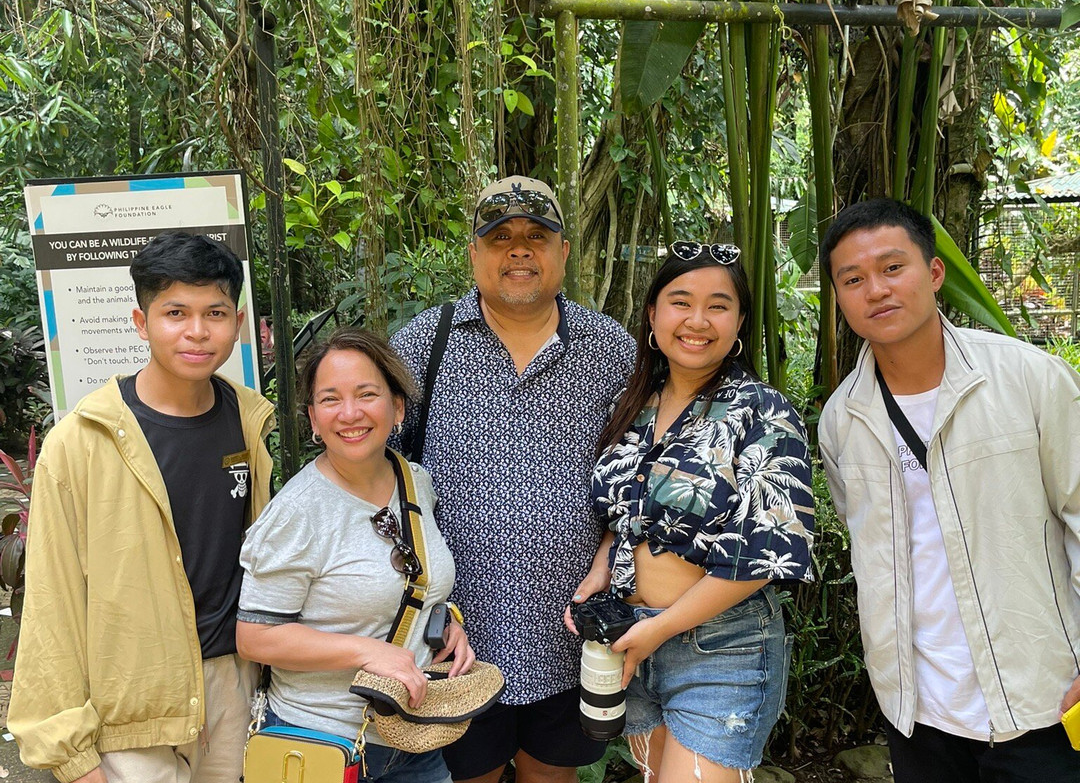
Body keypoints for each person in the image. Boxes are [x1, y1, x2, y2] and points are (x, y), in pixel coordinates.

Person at [818, 198, 1080, 782]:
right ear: (838, 297)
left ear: (934, 273)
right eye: (853, 279)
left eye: (893, 268)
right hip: (918, 711)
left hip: (1041, 697)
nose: (876, 290)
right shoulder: (842, 418)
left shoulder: (1030, 380)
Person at [390, 175, 635, 783]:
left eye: (535, 237)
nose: (518, 251)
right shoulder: (424, 344)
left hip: (568, 635)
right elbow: (380, 479)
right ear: (474, 253)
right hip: (453, 640)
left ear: (563, 253)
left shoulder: (609, 347)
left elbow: (643, 480)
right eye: (500, 238)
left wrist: (609, 556)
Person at [10, 232, 275, 783]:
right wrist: (71, 752)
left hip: (231, 685)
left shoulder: (248, 423)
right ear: (140, 321)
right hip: (130, 704)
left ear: (238, 322)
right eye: (175, 312)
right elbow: (51, 600)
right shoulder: (82, 441)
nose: (197, 331)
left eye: (215, 313)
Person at [579, 243, 815, 782]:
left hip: (721, 645)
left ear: (739, 322)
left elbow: (771, 553)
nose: (697, 320)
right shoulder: (633, 403)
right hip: (632, 637)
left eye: (718, 305)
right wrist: (602, 568)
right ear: (653, 316)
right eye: (680, 301)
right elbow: (627, 517)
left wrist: (661, 629)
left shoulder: (763, 410)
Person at [236, 327, 473, 783]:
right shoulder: (298, 512)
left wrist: (443, 624)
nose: (350, 413)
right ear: (313, 418)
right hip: (321, 744)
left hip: (414, 737)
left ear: (397, 407)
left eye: (367, 394)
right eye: (330, 400)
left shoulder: (414, 480)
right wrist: (367, 652)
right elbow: (255, 638)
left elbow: (412, 581)